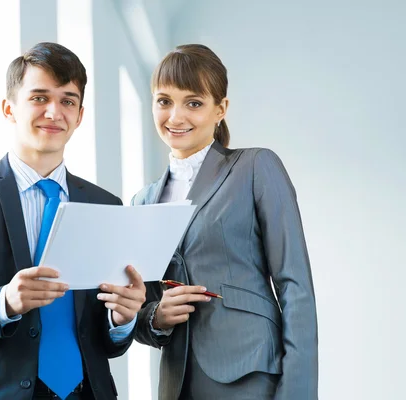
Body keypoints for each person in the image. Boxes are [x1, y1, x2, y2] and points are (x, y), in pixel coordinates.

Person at [0, 42, 146, 400]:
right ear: (9, 108)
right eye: (39, 98)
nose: (54, 112)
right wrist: (5, 301)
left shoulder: (105, 205)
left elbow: (105, 341)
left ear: (80, 116)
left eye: (68, 101)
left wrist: (123, 319)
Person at [133, 44, 318, 400]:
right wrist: (157, 315)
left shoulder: (255, 168)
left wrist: (298, 393)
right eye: (164, 101)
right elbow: (138, 312)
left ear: (220, 109)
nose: (175, 116)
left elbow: (295, 286)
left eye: (194, 103)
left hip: (250, 374)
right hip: (178, 383)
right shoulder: (142, 202)